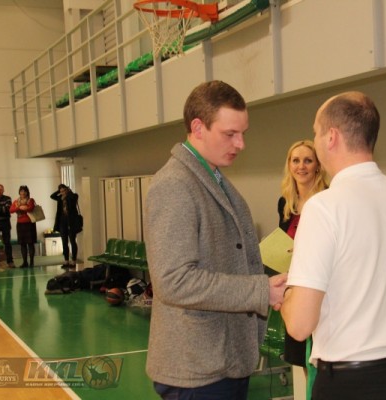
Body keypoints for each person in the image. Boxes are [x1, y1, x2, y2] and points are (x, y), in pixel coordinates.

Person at [281, 92, 386, 400]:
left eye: (316, 132)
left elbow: (300, 325)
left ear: (331, 137)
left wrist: (288, 296)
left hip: (355, 381)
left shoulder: (323, 207)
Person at [144, 80, 287, 400]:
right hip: (197, 369)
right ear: (198, 128)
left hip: (222, 360)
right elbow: (174, 281)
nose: (240, 144)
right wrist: (260, 290)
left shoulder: (214, 178)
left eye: (243, 133)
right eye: (230, 134)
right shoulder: (174, 185)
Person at [277, 140, 326, 379]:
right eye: (295, 160)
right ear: (289, 165)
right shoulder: (285, 202)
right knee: (303, 360)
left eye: (308, 160)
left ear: (318, 165)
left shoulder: (328, 199)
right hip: (294, 287)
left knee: (322, 360)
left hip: (321, 289)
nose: (301, 166)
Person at [50, 184, 81, 269]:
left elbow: (73, 197)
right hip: (62, 221)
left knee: (72, 240)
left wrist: (68, 191)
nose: (63, 192)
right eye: (61, 191)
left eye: (64, 191)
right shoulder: (60, 198)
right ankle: (66, 260)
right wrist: (59, 191)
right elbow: (52, 196)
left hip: (71, 222)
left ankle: (73, 260)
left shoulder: (73, 196)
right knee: (64, 242)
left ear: (67, 190)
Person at [10, 185, 37, 268]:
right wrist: (20, 207)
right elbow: (11, 210)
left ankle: (32, 261)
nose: (23, 193)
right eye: (21, 191)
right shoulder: (16, 201)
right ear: (19, 192)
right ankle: (25, 262)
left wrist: (23, 208)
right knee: (22, 244)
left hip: (29, 224)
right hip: (20, 224)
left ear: (27, 192)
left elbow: (31, 208)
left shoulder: (31, 200)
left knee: (30, 243)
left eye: (25, 191)